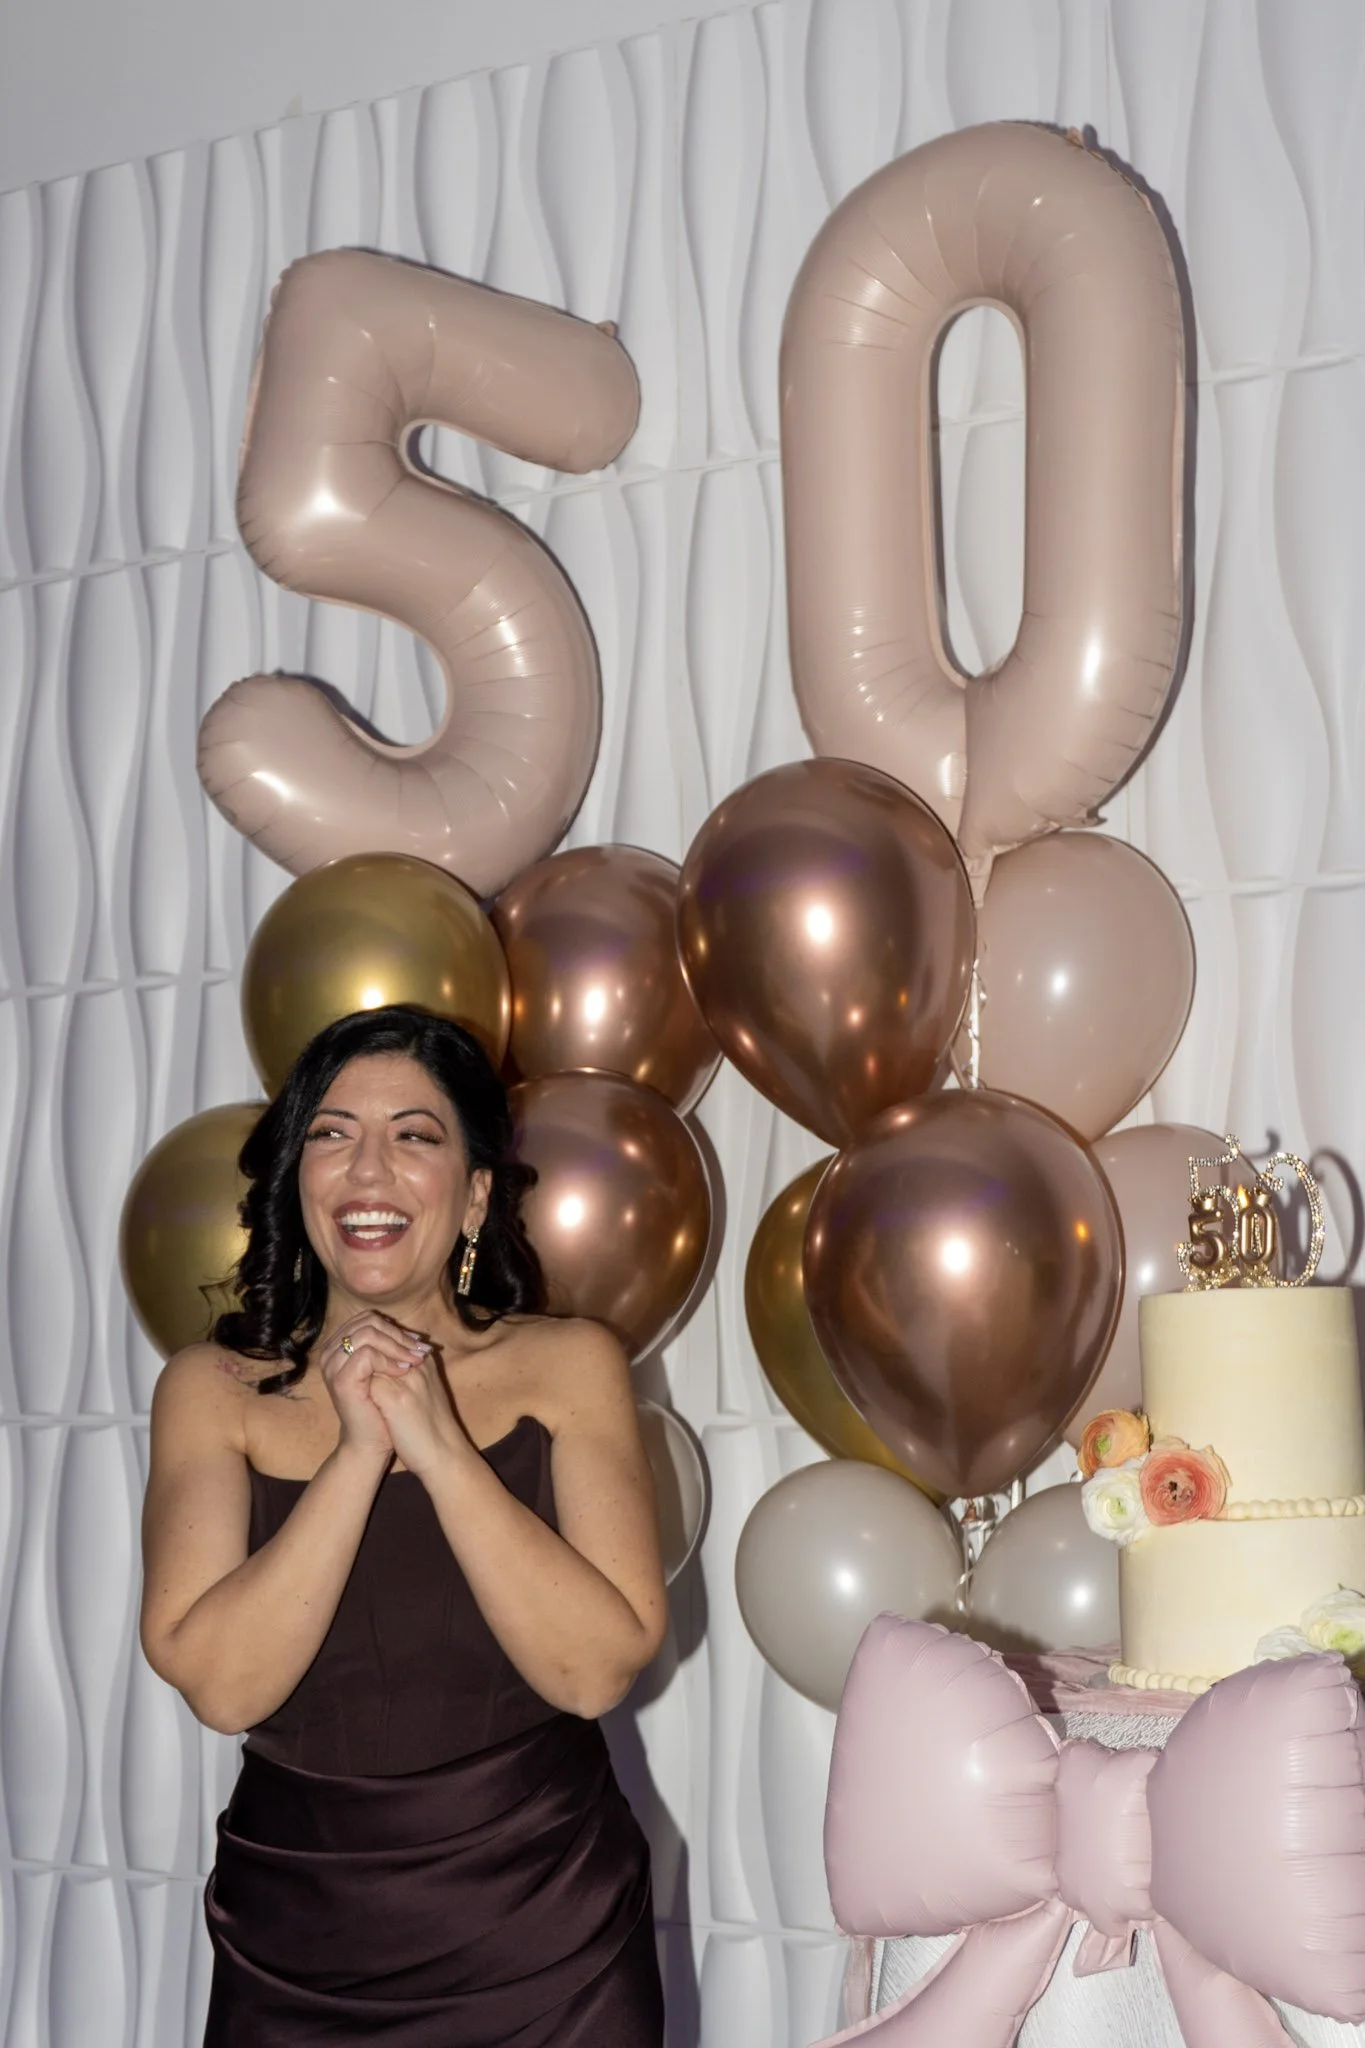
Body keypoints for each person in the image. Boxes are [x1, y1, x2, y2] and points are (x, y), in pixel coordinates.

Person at [139, 1002, 669, 2045]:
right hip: (300, 1940)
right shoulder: (212, 1388)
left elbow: (596, 1669)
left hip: (544, 1933)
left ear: (476, 1196)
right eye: (332, 1133)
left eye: (414, 1135)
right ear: (298, 1176)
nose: (367, 1169)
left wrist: (436, 1443)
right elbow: (223, 1682)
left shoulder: (568, 1365)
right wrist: (355, 1451)